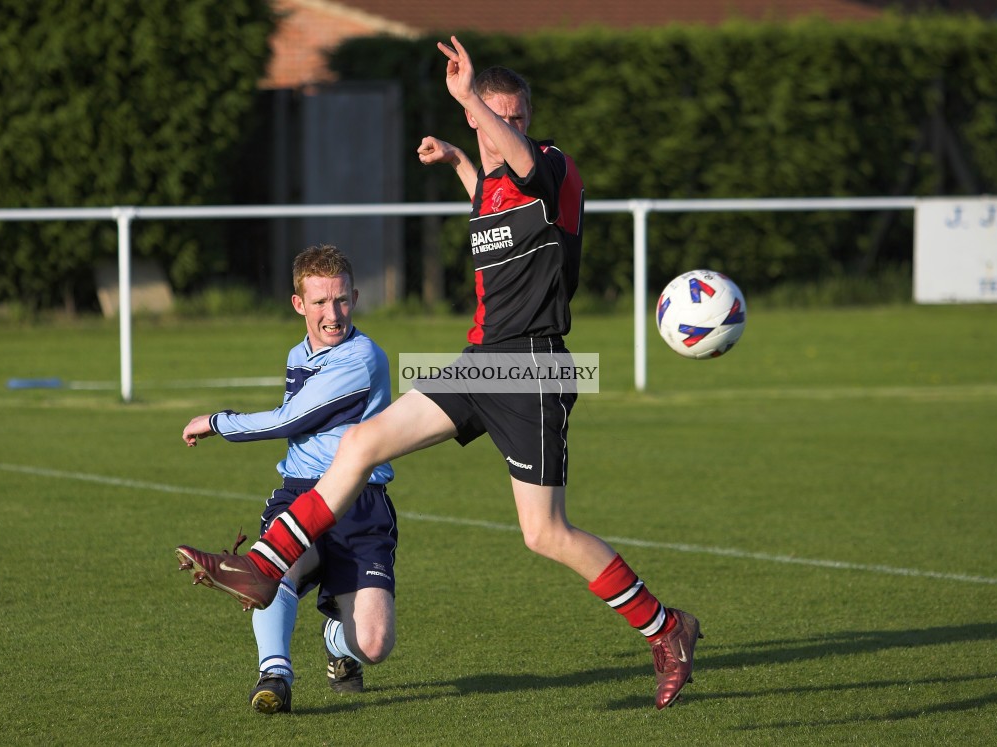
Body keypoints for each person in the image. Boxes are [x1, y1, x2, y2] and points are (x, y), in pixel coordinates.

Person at [176, 36, 702, 711]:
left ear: (525, 124)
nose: (501, 128)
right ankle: (266, 563)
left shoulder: (552, 169)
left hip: (530, 368)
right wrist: (459, 157)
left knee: (544, 533)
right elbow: (489, 191)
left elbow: (513, 162)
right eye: (492, 116)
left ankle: (667, 628)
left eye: (512, 117)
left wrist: (469, 101)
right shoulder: (490, 185)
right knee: (361, 443)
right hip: (480, 362)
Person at [176, 244, 398, 713]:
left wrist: (218, 422)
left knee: (375, 644)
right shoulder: (299, 352)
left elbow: (289, 422)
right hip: (301, 492)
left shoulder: (362, 359)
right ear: (299, 304)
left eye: (340, 300)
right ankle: (274, 674)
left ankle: (337, 639)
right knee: (269, 572)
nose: (332, 314)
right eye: (319, 302)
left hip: (360, 503)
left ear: (354, 297)